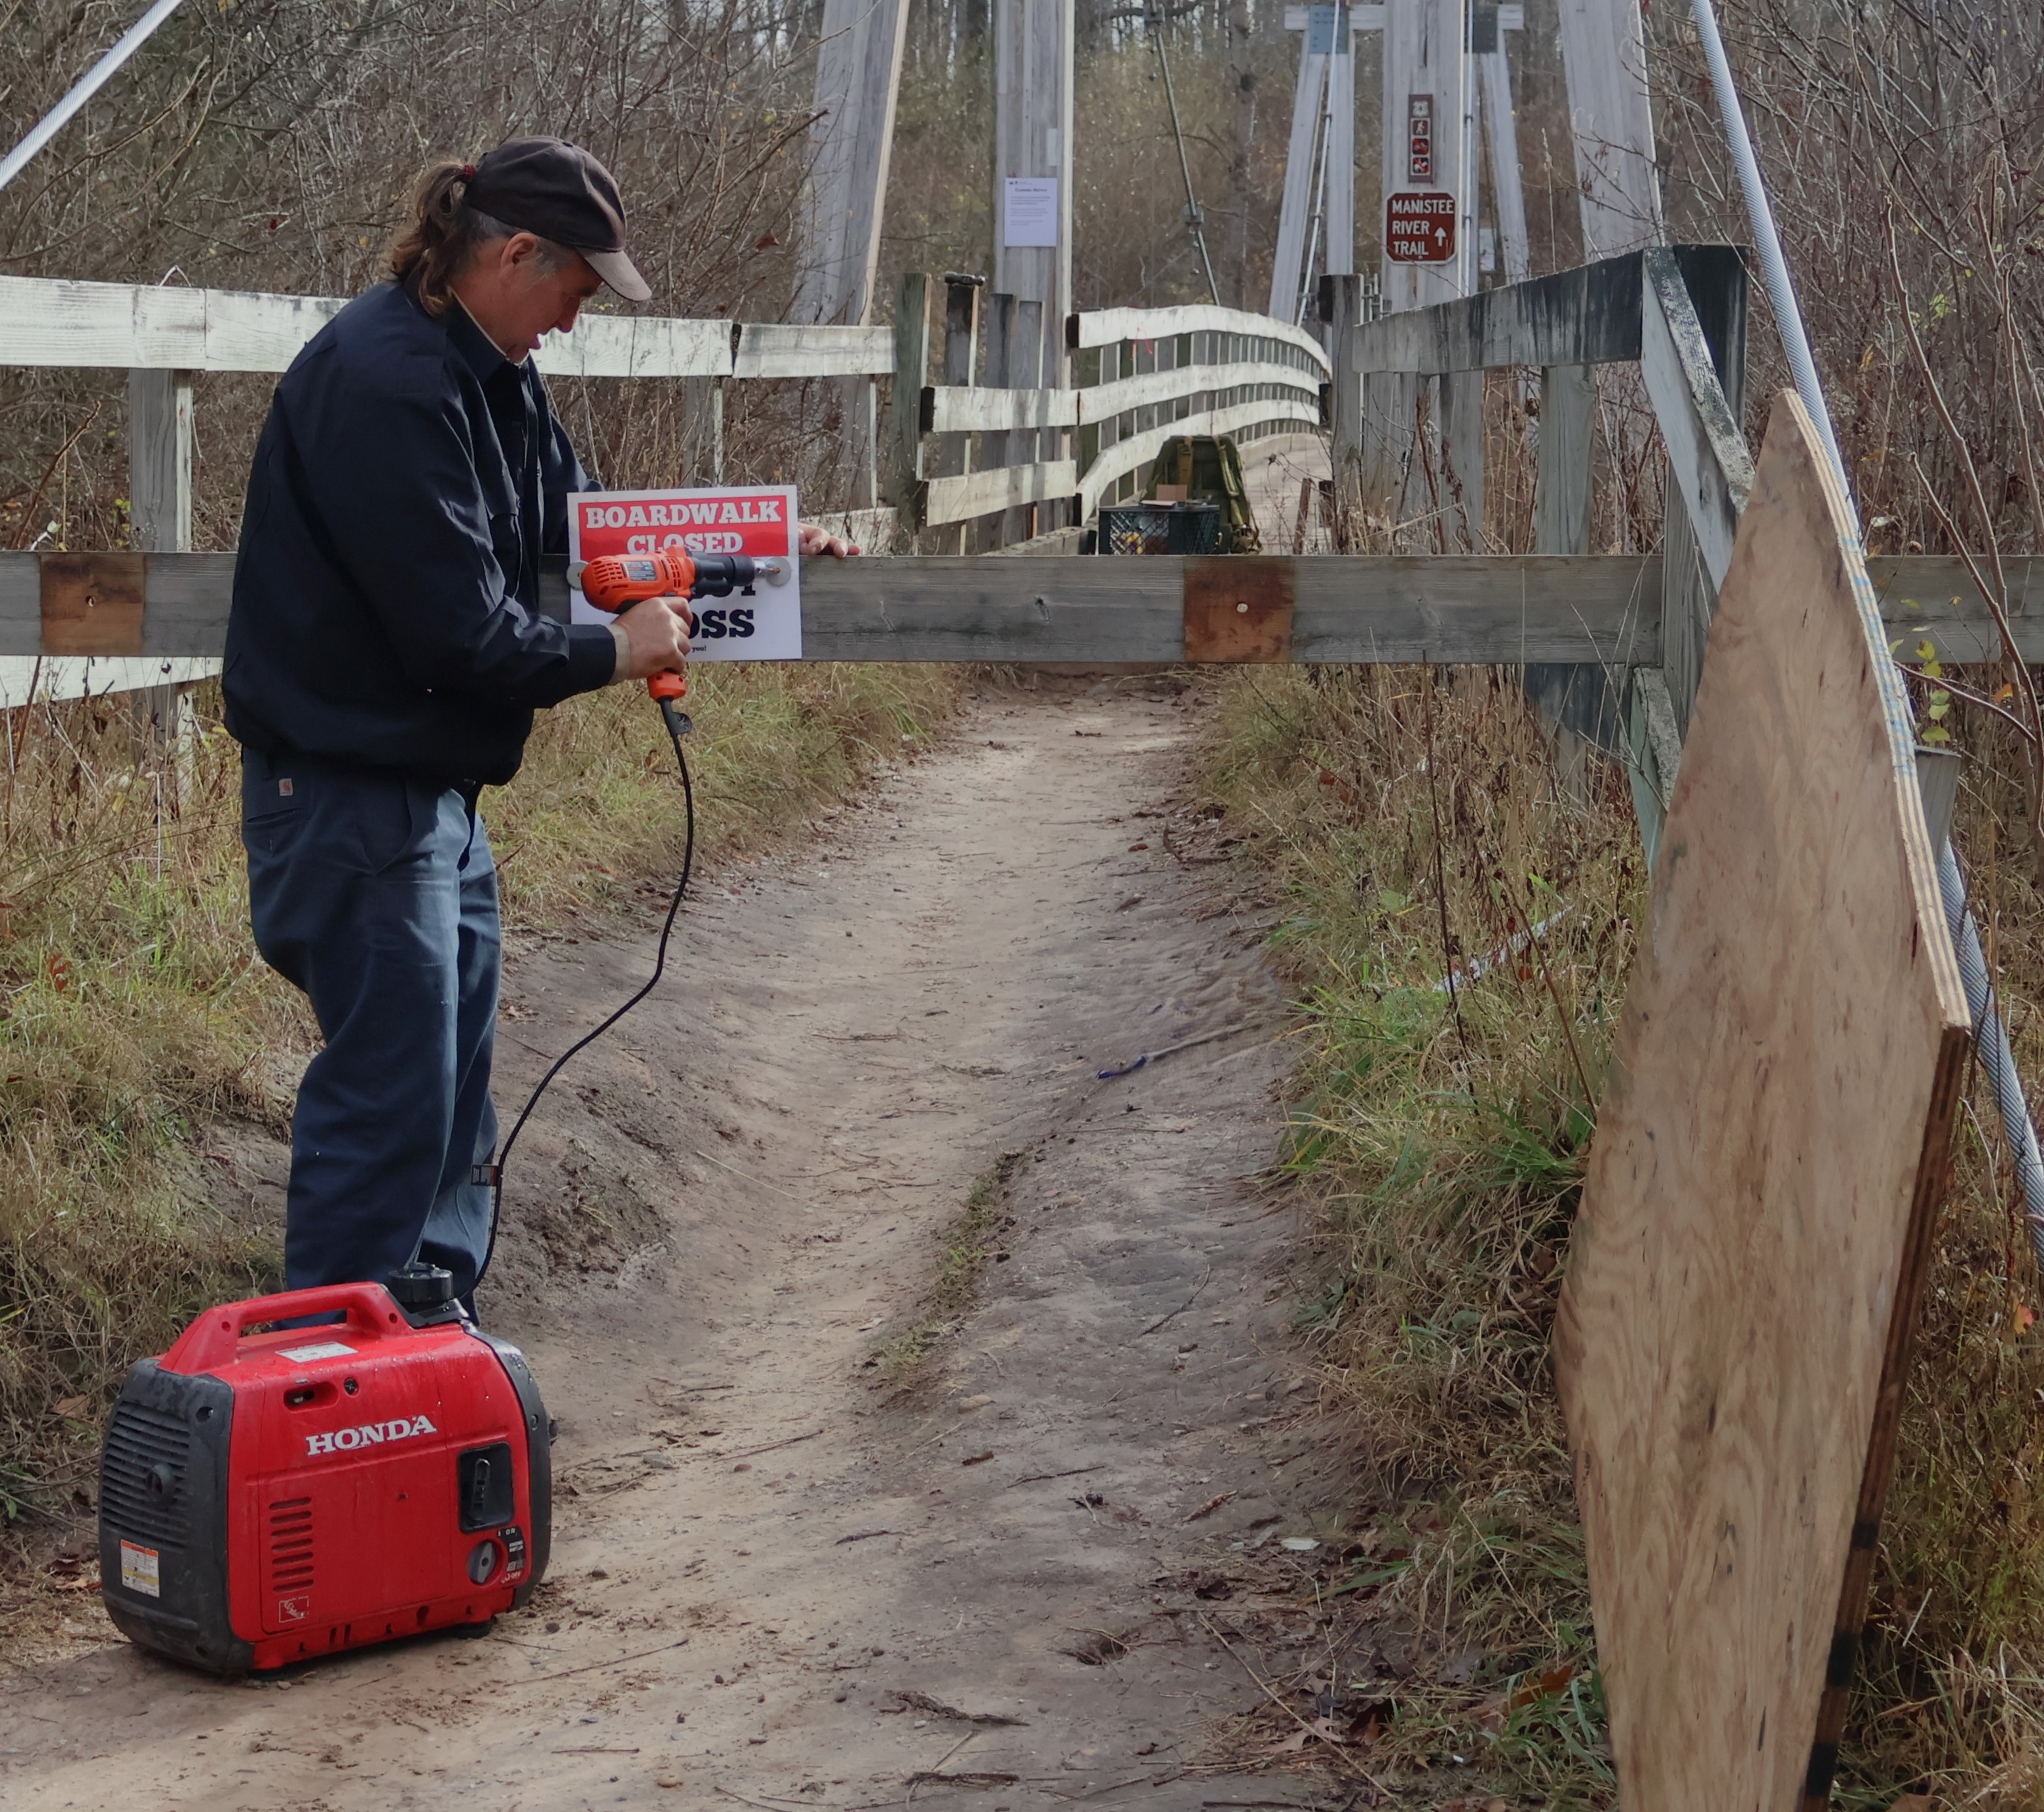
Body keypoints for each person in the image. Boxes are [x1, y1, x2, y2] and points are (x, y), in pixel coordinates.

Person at [225, 136, 855, 1308]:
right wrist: (615, 652)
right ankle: (337, 1386)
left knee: (452, 1101)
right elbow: (456, 634)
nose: (575, 317)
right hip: (351, 798)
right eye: (574, 286)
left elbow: (589, 537)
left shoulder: (491, 370)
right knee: (388, 1104)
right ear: (515, 251)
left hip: (428, 799)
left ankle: (431, 1339)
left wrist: (759, 557)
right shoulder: (388, 384)